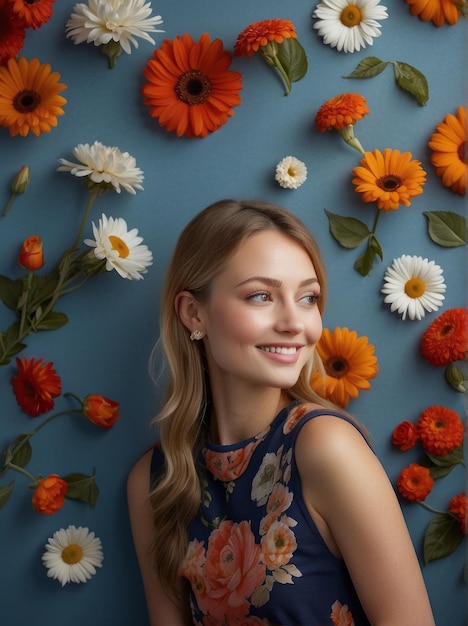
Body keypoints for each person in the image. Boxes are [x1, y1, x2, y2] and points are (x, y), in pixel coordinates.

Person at [127, 199, 435, 626]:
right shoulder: (155, 479)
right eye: (261, 296)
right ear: (193, 313)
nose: (295, 322)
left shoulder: (324, 447)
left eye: (308, 298)